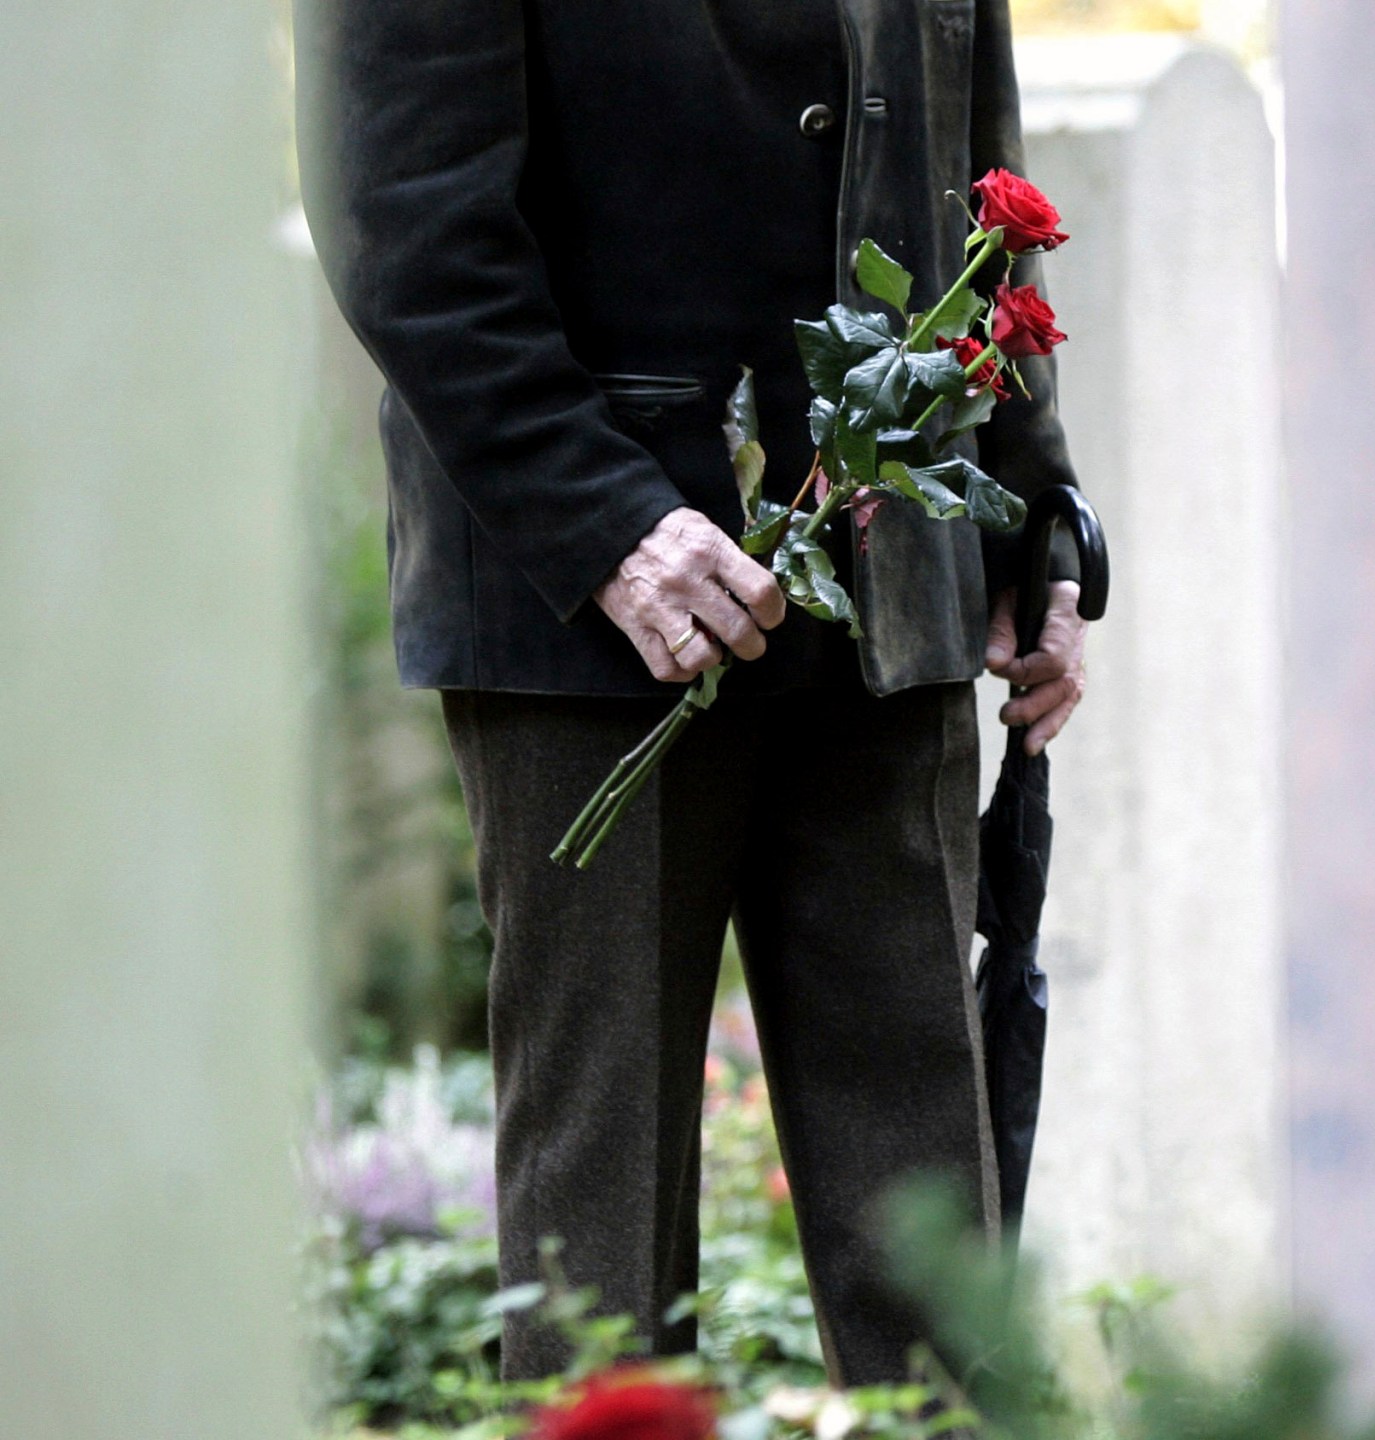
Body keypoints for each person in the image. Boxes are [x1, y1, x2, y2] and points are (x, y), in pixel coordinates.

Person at [295, 0, 1090, 1383]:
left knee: (933, 1243)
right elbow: (405, 219)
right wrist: (605, 520)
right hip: (590, 627)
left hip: (891, 577)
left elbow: (977, 168)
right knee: (596, 1230)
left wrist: (1034, 520)